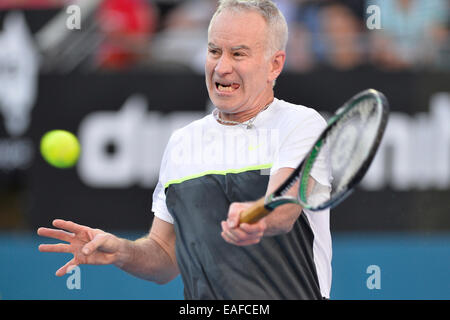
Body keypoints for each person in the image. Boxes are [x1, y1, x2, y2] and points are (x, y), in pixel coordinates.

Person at [38, 0, 332, 300]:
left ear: (275, 64)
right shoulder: (183, 141)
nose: (222, 67)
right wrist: (121, 251)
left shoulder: (301, 124)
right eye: (214, 51)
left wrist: (258, 216)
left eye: (238, 54)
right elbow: (164, 256)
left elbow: (284, 207)